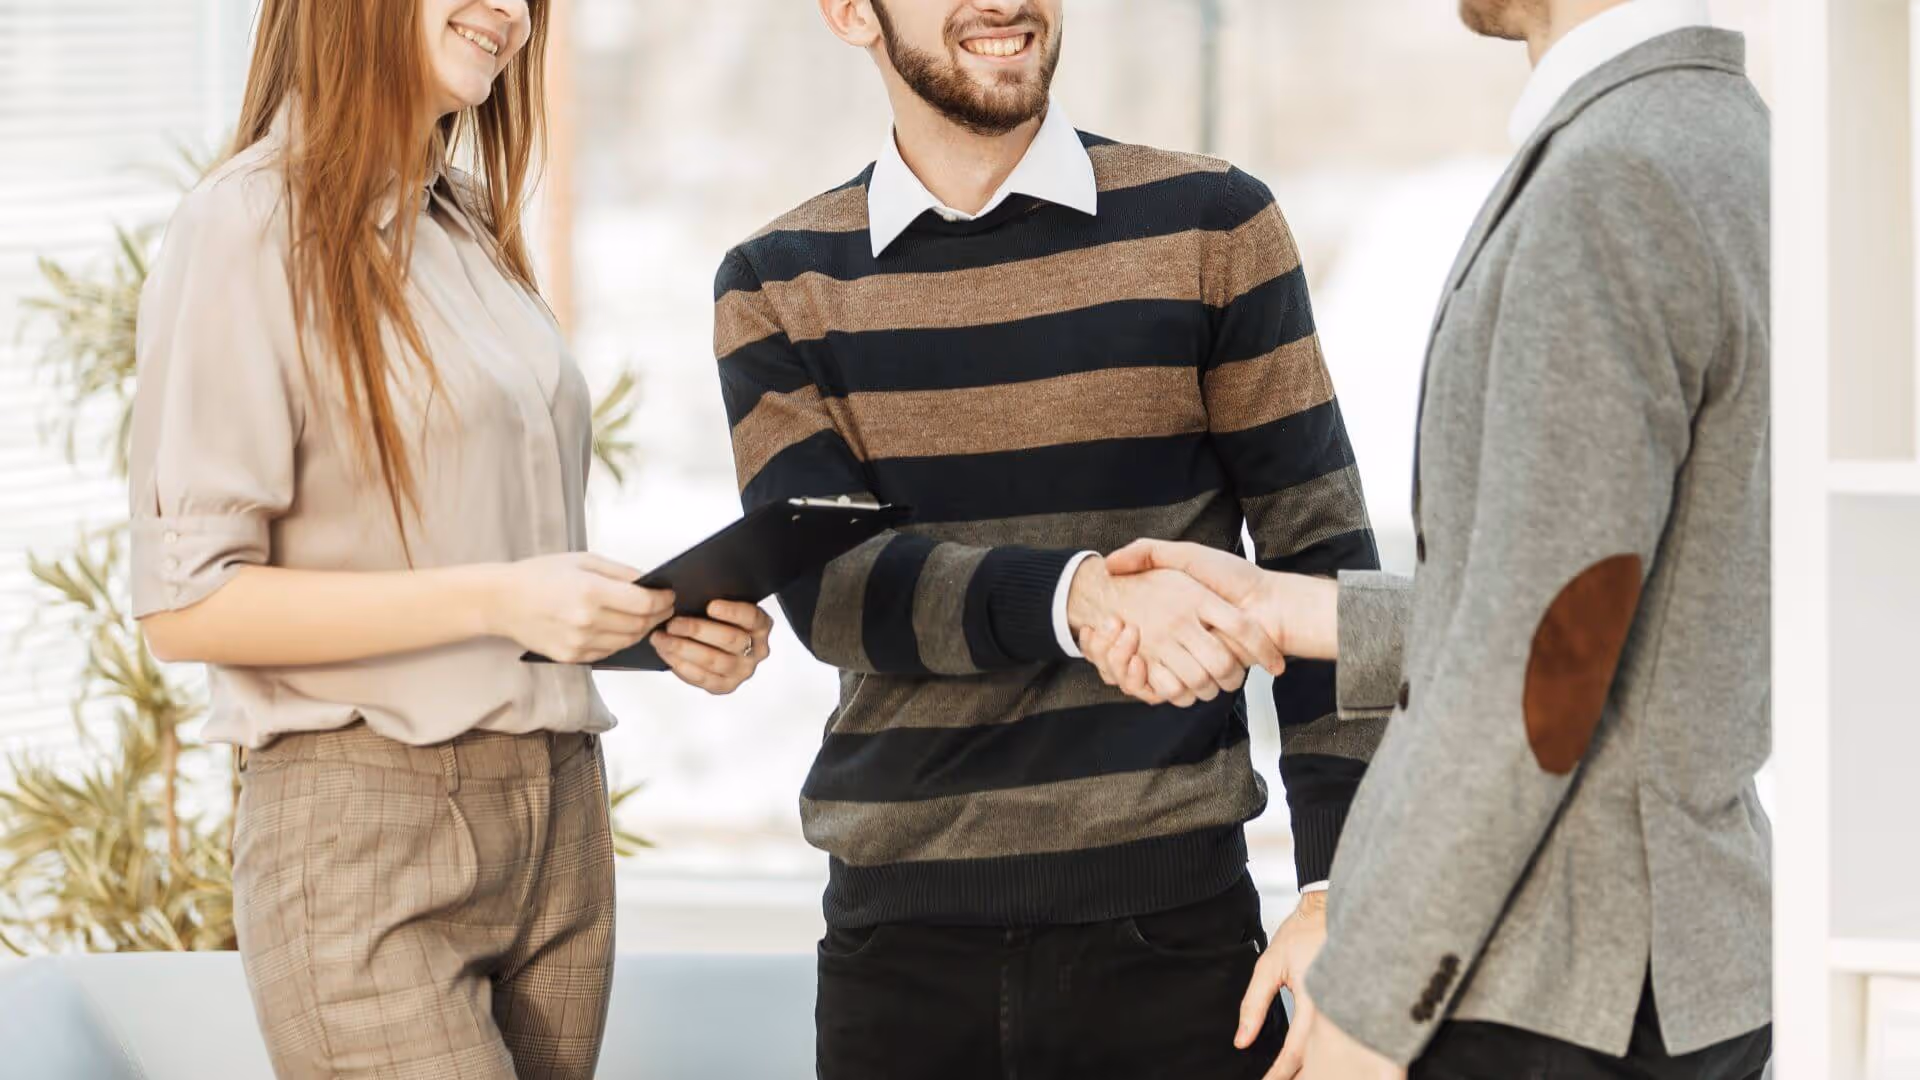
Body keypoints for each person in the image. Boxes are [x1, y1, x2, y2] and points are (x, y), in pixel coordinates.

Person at [1085, 1, 1772, 1077]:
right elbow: (1619, 614)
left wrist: (1372, 1008)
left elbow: (1548, 669)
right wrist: (1299, 609)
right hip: (1677, 966)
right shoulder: (1725, 132)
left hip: (1556, 990)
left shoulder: (1607, 182)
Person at [713, 1, 1380, 1076]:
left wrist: (1336, 888)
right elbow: (832, 591)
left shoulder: (1213, 226)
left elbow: (1324, 567)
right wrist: (1080, 598)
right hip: (899, 970)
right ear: (848, 12)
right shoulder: (777, 284)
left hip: (1176, 947)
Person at [128, 2, 773, 1076]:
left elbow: (476, 560)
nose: (509, 12)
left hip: (558, 820)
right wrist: (503, 599)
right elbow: (187, 605)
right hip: (366, 827)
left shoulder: (468, 225)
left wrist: (646, 625)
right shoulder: (246, 224)